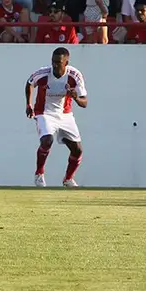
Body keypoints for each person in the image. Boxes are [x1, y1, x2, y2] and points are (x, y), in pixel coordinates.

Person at [25, 47, 87, 187]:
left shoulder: (74, 75)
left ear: (66, 62)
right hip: (44, 112)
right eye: (53, 61)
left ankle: (68, 179)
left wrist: (75, 98)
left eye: (58, 62)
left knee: (77, 150)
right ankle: (39, 174)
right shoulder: (43, 73)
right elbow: (29, 84)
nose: (55, 65)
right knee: (47, 140)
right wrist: (28, 104)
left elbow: (84, 103)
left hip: (65, 115)